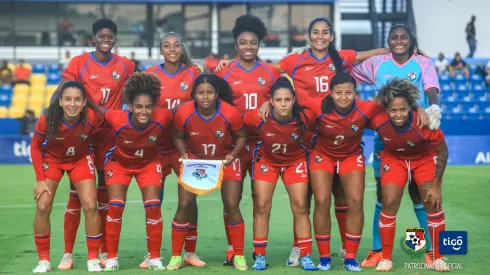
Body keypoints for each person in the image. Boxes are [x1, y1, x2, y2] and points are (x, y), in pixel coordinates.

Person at [350, 24, 441, 267]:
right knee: (384, 193)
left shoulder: (423, 64)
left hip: (417, 134)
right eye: (394, 38)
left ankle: (431, 250)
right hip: (385, 137)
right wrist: (376, 51)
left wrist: (434, 107)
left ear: (412, 41)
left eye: (404, 38)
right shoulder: (378, 63)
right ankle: (378, 250)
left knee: (418, 194)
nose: (399, 41)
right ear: (388, 41)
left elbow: (432, 88)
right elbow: (346, 67)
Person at [53, 18, 135, 269]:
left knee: (104, 197)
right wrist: (50, 116)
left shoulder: (126, 65)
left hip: (110, 139)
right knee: (77, 196)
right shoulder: (79, 63)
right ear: (94, 38)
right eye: (102, 36)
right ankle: (67, 253)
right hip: (83, 136)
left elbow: (142, 88)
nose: (106, 39)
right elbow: (64, 89)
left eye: (110, 36)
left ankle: (102, 249)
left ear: (115, 40)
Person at [214, 14, 281, 265]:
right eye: (243, 43)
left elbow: (282, 99)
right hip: (232, 146)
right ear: (236, 45)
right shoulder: (225, 72)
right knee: (230, 199)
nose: (248, 47)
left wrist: (269, 102)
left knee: (259, 199)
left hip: (262, 144)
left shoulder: (270, 73)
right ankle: (233, 248)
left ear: (259, 44)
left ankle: (257, 249)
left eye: (253, 42)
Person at [369, 79, 450, 272]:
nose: (398, 115)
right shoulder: (377, 119)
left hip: (422, 159)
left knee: (432, 203)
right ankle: (386, 258)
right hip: (394, 158)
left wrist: (437, 185)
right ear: (386, 110)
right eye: (393, 110)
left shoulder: (424, 123)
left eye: (403, 110)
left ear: (410, 108)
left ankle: (437, 257)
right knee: (388, 202)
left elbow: (443, 152)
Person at [169, 74, 248, 271]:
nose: (205, 97)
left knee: (231, 204)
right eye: (201, 93)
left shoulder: (230, 112)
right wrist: (184, 153)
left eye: (209, 92)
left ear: (217, 94)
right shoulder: (183, 112)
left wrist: (233, 154)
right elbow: (177, 136)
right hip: (196, 162)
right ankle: (176, 256)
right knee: (184, 204)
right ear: (194, 94)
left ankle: (238, 255)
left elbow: (242, 136)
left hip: (224, 161)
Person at [243, 77, 316, 271]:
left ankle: (305, 255)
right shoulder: (258, 117)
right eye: (278, 100)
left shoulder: (306, 118)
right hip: (267, 162)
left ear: (294, 100)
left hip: (295, 162)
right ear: (272, 101)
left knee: (301, 206)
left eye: (287, 100)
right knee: (261, 206)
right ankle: (259, 256)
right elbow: (236, 126)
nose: (283, 104)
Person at [144, 32, 203, 268]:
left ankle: (190, 251)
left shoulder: (193, 73)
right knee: (153, 200)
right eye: (166, 46)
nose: (171, 49)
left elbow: (203, 100)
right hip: (156, 147)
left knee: (190, 199)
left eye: (176, 45)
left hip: (185, 147)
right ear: (160, 50)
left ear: (181, 49)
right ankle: (153, 253)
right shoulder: (150, 75)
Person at [31, 81, 104, 273]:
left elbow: (109, 128)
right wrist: (40, 179)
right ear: (60, 102)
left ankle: (92, 259)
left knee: (90, 205)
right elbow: (35, 147)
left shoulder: (92, 117)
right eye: (68, 99)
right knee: (43, 204)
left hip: (80, 160)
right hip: (53, 160)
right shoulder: (48, 119)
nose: (73, 104)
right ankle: (44, 260)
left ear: (84, 102)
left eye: (77, 100)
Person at [102, 72, 173, 271]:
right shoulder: (116, 118)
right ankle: (112, 258)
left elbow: (185, 111)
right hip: (119, 164)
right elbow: (95, 111)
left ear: (154, 107)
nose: (144, 111)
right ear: (130, 107)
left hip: (148, 164)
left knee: (153, 206)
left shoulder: (163, 116)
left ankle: (155, 258)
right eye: (139, 106)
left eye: (148, 107)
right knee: (115, 206)